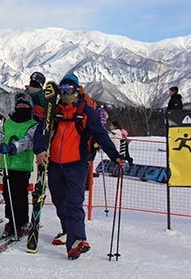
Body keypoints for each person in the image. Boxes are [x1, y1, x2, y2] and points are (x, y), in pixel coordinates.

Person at [33, 73, 125, 260]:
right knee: (60, 201)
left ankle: (77, 241)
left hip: (76, 164)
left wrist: (115, 156)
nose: (66, 94)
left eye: (70, 90)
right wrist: (40, 149)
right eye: (63, 90)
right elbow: (40, 132)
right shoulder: (54, 111)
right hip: (55, 165)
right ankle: (68, 231)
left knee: (74, 203)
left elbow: (101, 135)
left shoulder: (86, 112)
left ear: (77, 90)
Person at [0, 93, 38, 237]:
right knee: (7, 194)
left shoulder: (33, 124)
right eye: (19, 105)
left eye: (25, 106)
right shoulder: (8, 122)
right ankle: (11, 220)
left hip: (22, 165)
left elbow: (28, 140)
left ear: (30, 108)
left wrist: (13, 148)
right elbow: (1, 135)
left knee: (19, 194)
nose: (21, 108)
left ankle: (21, 222)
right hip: (8, 164)